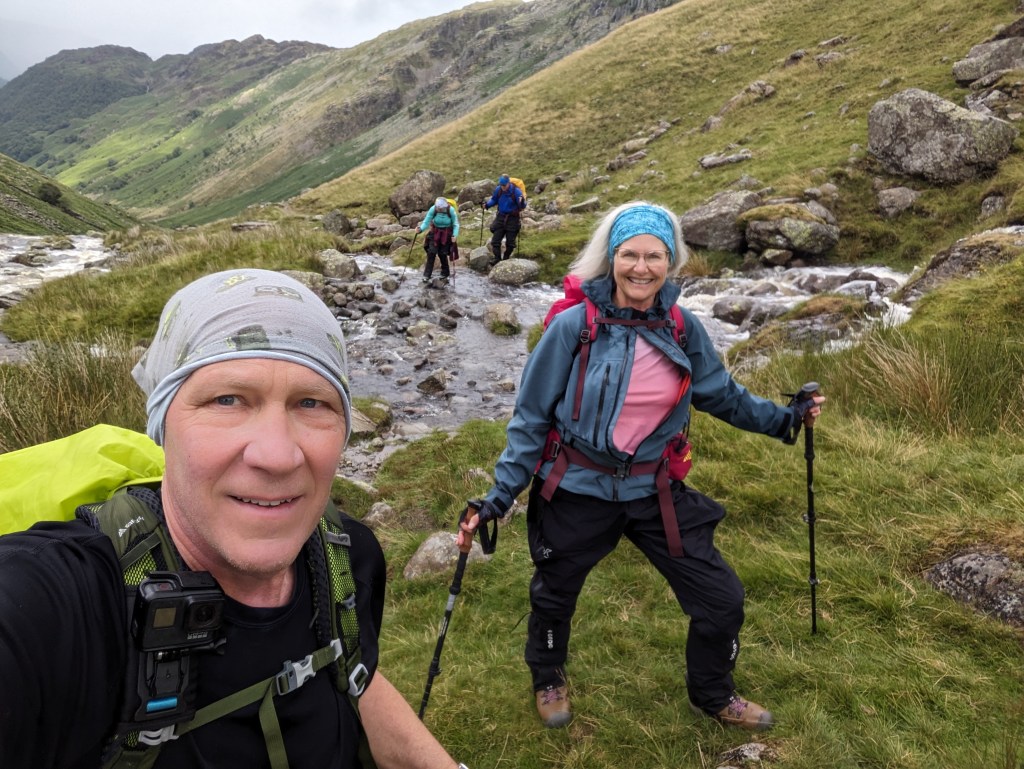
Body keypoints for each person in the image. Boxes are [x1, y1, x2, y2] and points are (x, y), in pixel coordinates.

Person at [0, 269, 468, 769]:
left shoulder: (346, 557)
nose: (276, 455)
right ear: (163, 424)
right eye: (227, 400)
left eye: (312, 403)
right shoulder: (62, 605)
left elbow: (355, 674)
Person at [457, 202, 824, 732]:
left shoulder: (680, 326)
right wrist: (499, 496)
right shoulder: (572, 327)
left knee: (721, 600)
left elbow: (721, 394)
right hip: (577, 487)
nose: (641, 267)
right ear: (611, 258)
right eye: (629, 254)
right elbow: (531, 419)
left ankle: (714, 694)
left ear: (670, 262)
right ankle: (548, 675)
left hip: (654, 489)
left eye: (654, 255)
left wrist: (785, 420)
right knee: (555, 592)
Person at [482, 174, 526, 265]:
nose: (502, 187)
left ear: (508, 183)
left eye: (504, 185)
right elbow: (494, 199)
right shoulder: (499, 190)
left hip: (513, 218)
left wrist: (522, 202)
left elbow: (522, 206)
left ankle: (506, 258)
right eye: (501, 185)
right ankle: (497, 258)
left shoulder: (517, 192)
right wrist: (486, 205)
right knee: (495, 241)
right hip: (501, 217)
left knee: (510, 243)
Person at [419, 196, 460, 283]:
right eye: (438, 208)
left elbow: (456, 224)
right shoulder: (433, 209)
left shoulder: (450, 210)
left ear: (445, 206)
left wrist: (454, 235)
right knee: (431, 252)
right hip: (435, 232)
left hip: (447, 234)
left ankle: (445, 273)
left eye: (441, 208)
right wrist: (420, 229)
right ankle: (427, 275)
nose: (439, 209)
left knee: (442, 253)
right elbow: (426, 221)